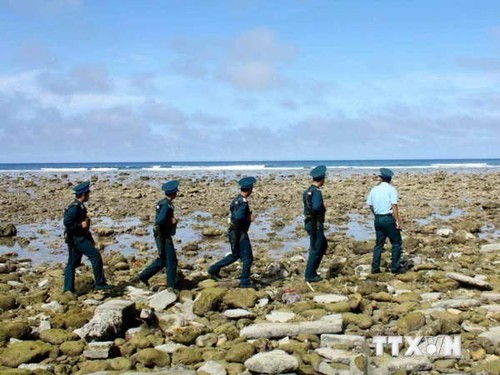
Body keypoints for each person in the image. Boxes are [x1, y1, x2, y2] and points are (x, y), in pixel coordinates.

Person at [63, 181, 112, 293]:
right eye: (88, 193)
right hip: (77, 239)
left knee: (72, 263)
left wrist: (90, 238)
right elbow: (67, 222)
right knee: (95, 256)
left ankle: (68, 289)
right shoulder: (74, 207)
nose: (89, 195)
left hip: (79, 238)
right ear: (84, 194)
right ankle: (100, 283)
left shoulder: (79, 206)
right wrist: (80, 225)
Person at [208, 176, 257, 288]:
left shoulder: (236, 200)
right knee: (248, 258)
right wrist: (249, 218)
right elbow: (239, 217)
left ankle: (214, 268)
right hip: (239, 233)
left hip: (233, 231)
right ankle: (245, 282)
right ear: (250, 189)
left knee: (235, 255)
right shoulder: (243, 202)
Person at [137, 180, 180, 289]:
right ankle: (171, 287)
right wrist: (171, 221)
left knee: (163, 259)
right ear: (174, 193)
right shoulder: (167, 205)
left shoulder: (162, 202)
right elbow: (160, 220)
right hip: (163, 235)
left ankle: (144, 276)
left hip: (160, 234)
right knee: (171, 261)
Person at [366, 168, 404, 274]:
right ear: (390, 179)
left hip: (378, 218)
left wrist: (376, 215)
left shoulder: (374, 189)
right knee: (396, 242)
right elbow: (394, 206)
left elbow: (370, 205)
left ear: (381, 178)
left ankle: (375, 267)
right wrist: (397, 221)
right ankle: (395, 267)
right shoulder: (391, 189)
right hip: (388, 218)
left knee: (379, 244)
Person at [303, 165, 328, 282]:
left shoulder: (307, 191)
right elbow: (317, 207)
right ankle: (310, 274)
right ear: (322, 179)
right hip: (315, 222)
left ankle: (312, 271)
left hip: (309, 221)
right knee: (316, 248)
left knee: (322, 244)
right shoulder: (317, 192)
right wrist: (323, 207)